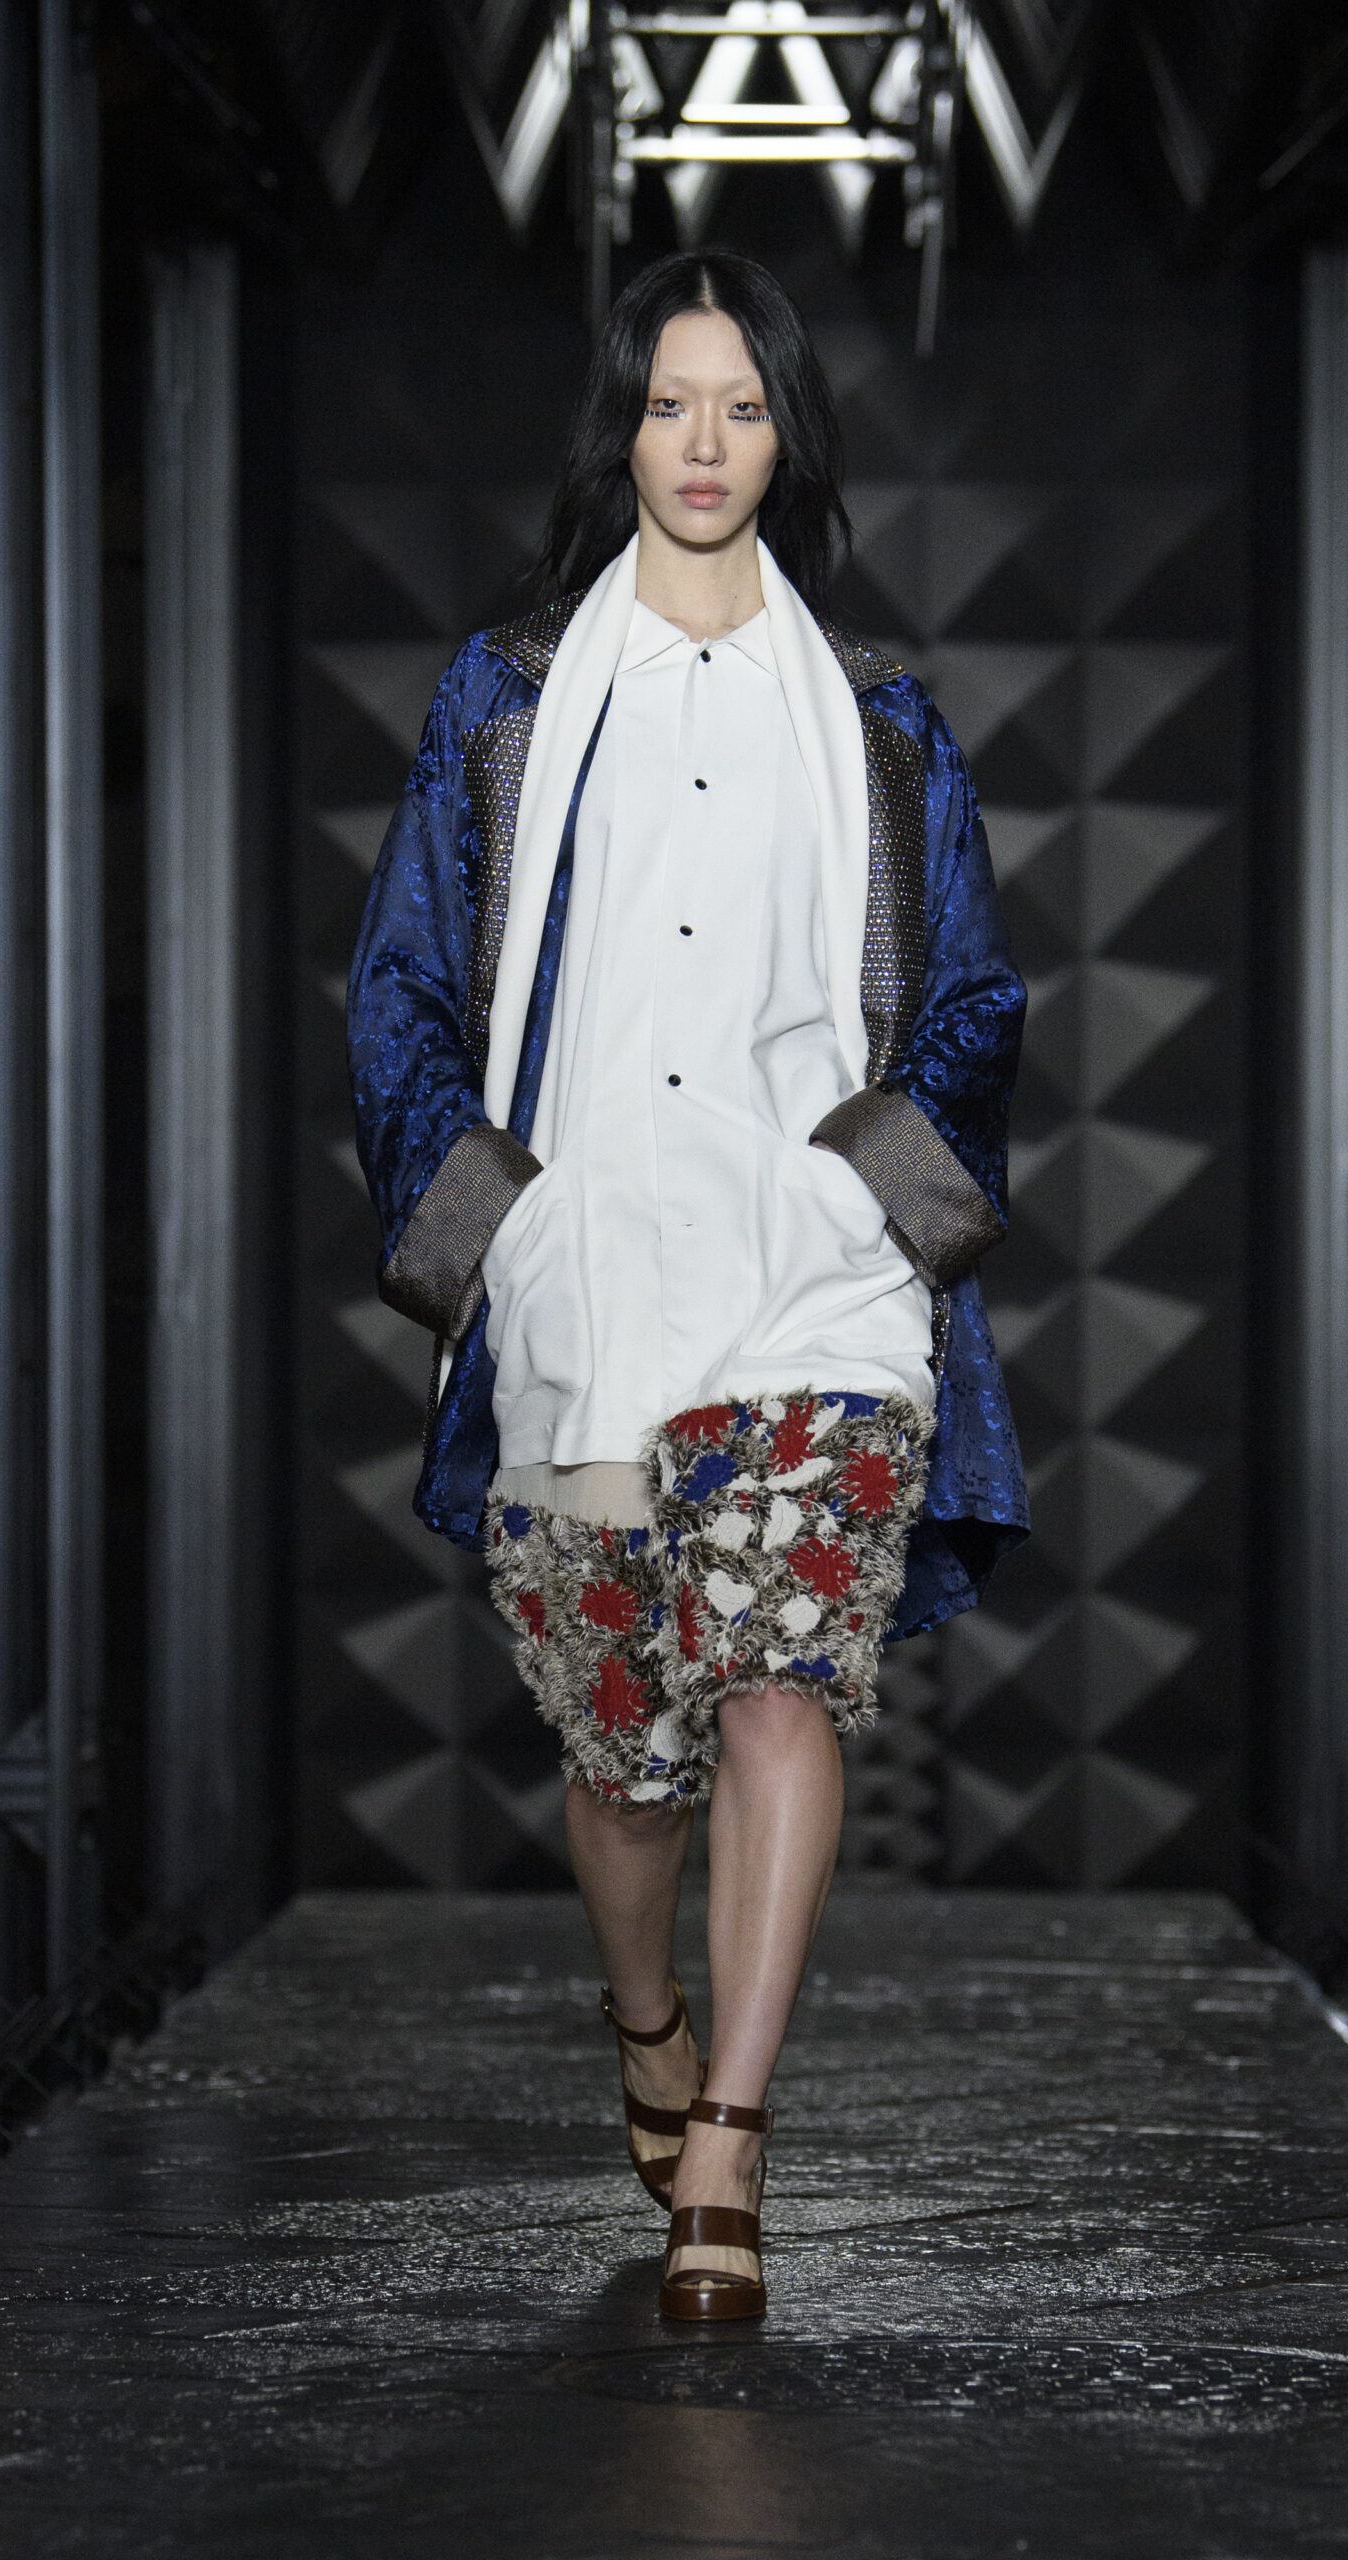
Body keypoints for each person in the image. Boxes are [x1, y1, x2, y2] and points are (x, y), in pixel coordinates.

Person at [347, 250, 1026, 2323]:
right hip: (588, 1284)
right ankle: (644, 2014)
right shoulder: (508, 700)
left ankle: (729, 2131)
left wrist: (873, 1205)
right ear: (622, 429)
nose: (706, 441)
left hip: (811, 1283)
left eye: (741, 404)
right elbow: (403, 987)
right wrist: (500, 1228)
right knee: (628, 1758)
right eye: (669, 402)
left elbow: (970, 997)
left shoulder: (879, 720)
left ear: (787, 433)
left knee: (783, 1680)